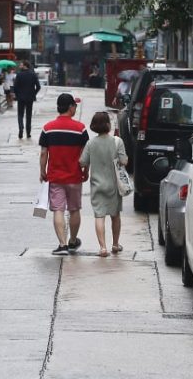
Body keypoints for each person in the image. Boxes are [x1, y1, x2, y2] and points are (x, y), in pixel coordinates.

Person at [39, 93, 89, 255]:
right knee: (74, 209)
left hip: (55, 177)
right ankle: (72, 241)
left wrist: (42, 171)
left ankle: (62, 245)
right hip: (75, 176)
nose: (75, 108)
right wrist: (86, 171)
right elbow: (85, 154)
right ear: (70, 107)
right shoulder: (80, 129)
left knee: (58, 210)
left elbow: (43, 153)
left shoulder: (48, 128)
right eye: (75, 105)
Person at [80, 112, 128, 257]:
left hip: (97, 185)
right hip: (114, 185)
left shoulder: (90, 143)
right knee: (115, 215)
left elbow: (82, 162)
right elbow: (124, 161)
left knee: (99, 216)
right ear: (108, 124)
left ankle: (102, 248)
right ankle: (115, 244)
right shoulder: (117, 141)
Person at [13, 62, 42, 139]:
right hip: (30, 98)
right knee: (28, 115)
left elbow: (15, 87)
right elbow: (38, 87)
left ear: (25, 66)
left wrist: (17, 95)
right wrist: (33, 94)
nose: (20, 66)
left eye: (21, 65)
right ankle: (28, 132)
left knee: (20, 114)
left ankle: (21, 128)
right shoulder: (33, 74)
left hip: (21, 98)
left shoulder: (19, 75)